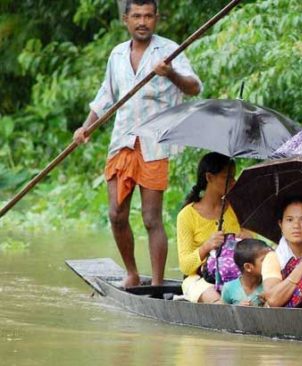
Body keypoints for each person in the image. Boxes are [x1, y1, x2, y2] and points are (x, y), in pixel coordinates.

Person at [73, 0, 202, 287]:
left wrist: (170, 73)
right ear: (126, 20)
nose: (142, 21)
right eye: (136, 16)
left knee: (151, 218)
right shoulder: (117, 54)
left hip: (154, 143)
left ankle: (156, 285)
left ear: (156, 18)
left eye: (148, 16)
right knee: (116, 214)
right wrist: (87, 126)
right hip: (122, 141)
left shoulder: (169, 50)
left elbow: (194, 87)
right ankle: (131, 273)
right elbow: (106, 95)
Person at [177, 152, 253, 303]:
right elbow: (185, 266)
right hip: (200, 279)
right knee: (213, 296)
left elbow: (253, 255)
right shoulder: (186, 216)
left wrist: (249, 241)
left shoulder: (237, 209)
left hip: (235, 275)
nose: (233, 182)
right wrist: (207, 246)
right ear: (209, 178)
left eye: (233, 176)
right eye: (227, 177)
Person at [221, 239, 272, 306]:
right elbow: (224, 313)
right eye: (263, 260)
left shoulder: (271, 285)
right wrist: (237, 309)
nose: (270, 262)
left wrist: (268, 303)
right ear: (248, 267)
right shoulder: (229, 288)